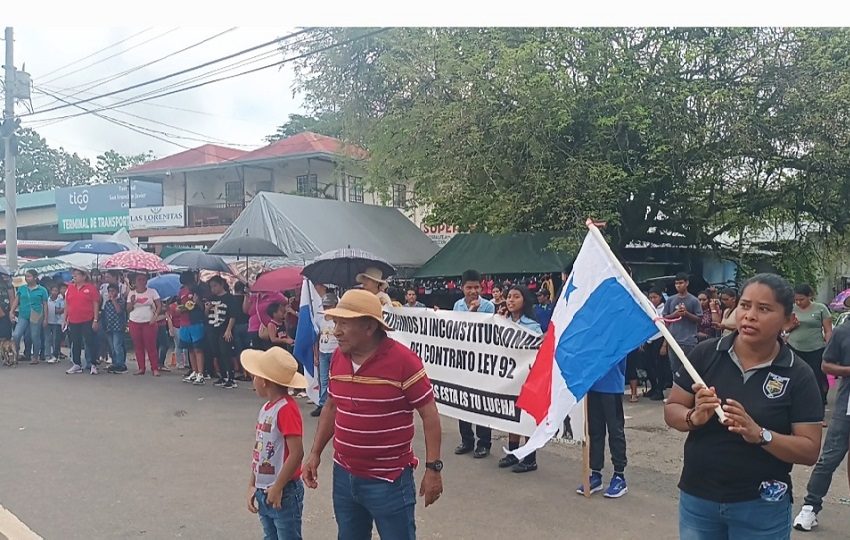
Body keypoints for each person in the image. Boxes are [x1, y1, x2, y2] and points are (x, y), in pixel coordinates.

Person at [664, 273, 823, 539]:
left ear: (787, 320)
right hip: (699, 498)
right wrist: (694, 416)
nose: (749, 316)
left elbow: (809, 449)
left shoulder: (799, 374)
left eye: (764, 309)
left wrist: (760, 434)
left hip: (761, 505)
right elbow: (672, 409)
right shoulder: (705, 354)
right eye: (745, 305)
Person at [303, 290, 442, 539]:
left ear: (369, 327)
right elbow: (332, 407)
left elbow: (429, 414)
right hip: (344, 476)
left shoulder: (403, 360)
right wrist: (314, 453)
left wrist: (433, 469)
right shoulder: (338, 357)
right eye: (336, 323)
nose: (336, 331)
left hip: (389, 480)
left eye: (344, 323)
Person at [794, 306, 850, 531]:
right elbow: (826, 364)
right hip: (847, 407)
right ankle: (810, 507)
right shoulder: (844, 332)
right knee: (829, 458)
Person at [244, 346, 307, 540]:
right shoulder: (266, 408)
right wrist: (252, 484)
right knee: (270, 536)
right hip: (265, 489)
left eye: (255, 376)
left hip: (284, 491)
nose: (253, 380)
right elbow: (260, 451)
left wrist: (278, 486)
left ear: (264, 381)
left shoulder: (286, 409)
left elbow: (297, 453)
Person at [498, 285, 542, 473]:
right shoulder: (502, 322)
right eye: (509, 297)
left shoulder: (533, 326)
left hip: (527, 379)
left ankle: (530, 457)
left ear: (524, 301)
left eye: (516, 297)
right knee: (511, 415)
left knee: (526, 418)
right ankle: (513, 452)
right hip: (509, 378)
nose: (511, 300)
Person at [453, 269, 496, 458]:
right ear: (462, 288)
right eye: (469, 287)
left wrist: (475, 312)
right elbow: (456, 330)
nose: (472, 291)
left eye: (476, 287)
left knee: (481, 401)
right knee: (463, 401)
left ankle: (484, 442)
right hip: (463, 361)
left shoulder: (488, 307)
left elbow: (485, 332)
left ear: (482, 287)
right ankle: (466, 440)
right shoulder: (457, 306)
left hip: (482, 362)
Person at [577, 357, 631, 498]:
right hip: (593, 384)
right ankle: (596, 473)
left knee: (615, 431)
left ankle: (619, 476)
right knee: (595, 431)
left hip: (612, 386)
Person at [787, 283, 832, 411]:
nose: (799, 302)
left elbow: (828, 330)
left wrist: (828, 348)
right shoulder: (791, 309)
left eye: (802, 299)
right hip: (794, 347)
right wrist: (792, 326)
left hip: (816, 349)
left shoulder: (820, 308)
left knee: (818, 379)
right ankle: (796, 408)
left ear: (809, 296)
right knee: (794, 378)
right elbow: (784, 328)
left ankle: (820, 409)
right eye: (796, 300)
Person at [661, 272, 703, 375]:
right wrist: (674, 315)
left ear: (687, 283)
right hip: (674, 340)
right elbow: (664, 318)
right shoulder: (671, 300)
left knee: (690, 369)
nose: (678, 286)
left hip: (689, 340)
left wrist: (686, 314)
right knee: (675, 370)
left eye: (681, 283)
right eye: (676, 283)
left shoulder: (694, 300)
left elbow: (699, 319)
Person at [64, 269, 101, 375]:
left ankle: (93, 364)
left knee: (90, 342)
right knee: (75, 342)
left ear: (84, 276)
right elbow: (67, 304)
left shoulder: (91, 288)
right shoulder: (70, 288)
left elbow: (95, 304)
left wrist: (95, 319)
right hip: (73, 319)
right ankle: (77, 364)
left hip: (87, 319)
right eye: (73, 275)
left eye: (76, 275)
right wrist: (65, 319)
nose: (74, 277)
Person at [205, 276, 238, 389]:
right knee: (216, 353)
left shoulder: (229, 298)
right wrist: (207, 308)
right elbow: (206, 315)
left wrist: (229, 330)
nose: (213, 289)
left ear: (221, 285)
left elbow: (233, 315)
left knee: (226, 353)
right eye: (211, 287)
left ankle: (231, 378)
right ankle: (223, 376)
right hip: (212, 328)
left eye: (215, 286)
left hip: (224, 329)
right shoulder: (211, 298)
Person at [11, 269, 49, 365]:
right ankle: (16, 353)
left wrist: (45, 319)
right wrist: (11, 311)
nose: (26, 278)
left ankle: (35, 356)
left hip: (36, 315)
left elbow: (45, 305)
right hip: (23, 314)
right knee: (16, 334)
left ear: (35, 277)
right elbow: (16, 300)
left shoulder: (42, 290)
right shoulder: (22, 288)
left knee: (34, 336)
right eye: (26, 276)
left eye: (29, 276)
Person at [128, 274, 162, 376]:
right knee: (138, 346)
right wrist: (132, 302)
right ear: (135, 282)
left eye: (143, 279)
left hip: (149, 322)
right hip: (134, 321)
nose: (141, 282)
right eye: (139, 280)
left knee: (151, 346)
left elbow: (159, 305)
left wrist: (155, 317)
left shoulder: (152, 292)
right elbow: (128, 309)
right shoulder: (131, 293)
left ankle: (155, 368)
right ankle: (141, 367)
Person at [311, 292, 339, 418]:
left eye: (329, 306)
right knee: (323, 379)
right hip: (323, 351)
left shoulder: (337, 320)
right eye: (325, 306)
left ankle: (336, 402)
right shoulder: (320, 319)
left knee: (335, 378)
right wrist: (316, 355)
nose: (327, 309)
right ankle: (322, 404)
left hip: (335, 352)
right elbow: (315, 338)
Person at [178, 271, 207, 385]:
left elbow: (202, 307)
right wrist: (179, 308)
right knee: (190, 349)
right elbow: (179, 305)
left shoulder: (198, 290)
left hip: (196, 322)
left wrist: (197, 301)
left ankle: (201, 373)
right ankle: (194, 371)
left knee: (198, 349)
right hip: (184, 323)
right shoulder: (181, 291)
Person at [245, 284, 286, 350]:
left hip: (269, 328)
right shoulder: (254, 296)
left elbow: (285, 302)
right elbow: (246, 310)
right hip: (254, 329)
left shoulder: (274, 294)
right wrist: (246, 296)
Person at [643, 289, 667, 400]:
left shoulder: (664, 308)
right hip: (649, 339)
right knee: (648, 365)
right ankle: (653, 387)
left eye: (655, 297)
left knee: (659, 366)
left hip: (659, 338)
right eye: (650, 297)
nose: (652, 300)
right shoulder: (648, 308)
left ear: (660, 297)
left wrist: (664, 345)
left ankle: (659, 389)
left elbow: (667, 326)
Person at [103, 284, 128, 374]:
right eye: (109, 291)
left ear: (117, 292)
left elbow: (119, 310)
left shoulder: (121, 301)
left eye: (113, 291)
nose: (111, 293)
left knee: (117, 346)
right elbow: (105, 315)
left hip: (118, 327)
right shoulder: (107, 303)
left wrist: (114, 300)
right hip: (109, 327)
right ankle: (115, 363)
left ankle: (121, 364)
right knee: (112, 347)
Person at [232, 281, 251, 379]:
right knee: (248, 349)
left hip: (236, 326)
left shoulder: (232, 299)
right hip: (247, 325)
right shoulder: (247, 298)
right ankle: (249, 372)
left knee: (239, 350)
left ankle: (243, 372)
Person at [45, 285, 65, 363]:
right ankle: (47, 355)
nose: (54, 292)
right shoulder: (47, 300)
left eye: (56, 290)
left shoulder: (61, 300)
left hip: (57, 322)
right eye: (53, 290)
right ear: (50, 291)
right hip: (48, 320)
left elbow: (61, 311)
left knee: (56, 339)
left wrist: (62, 309)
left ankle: (56, 354)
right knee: (47, 339)